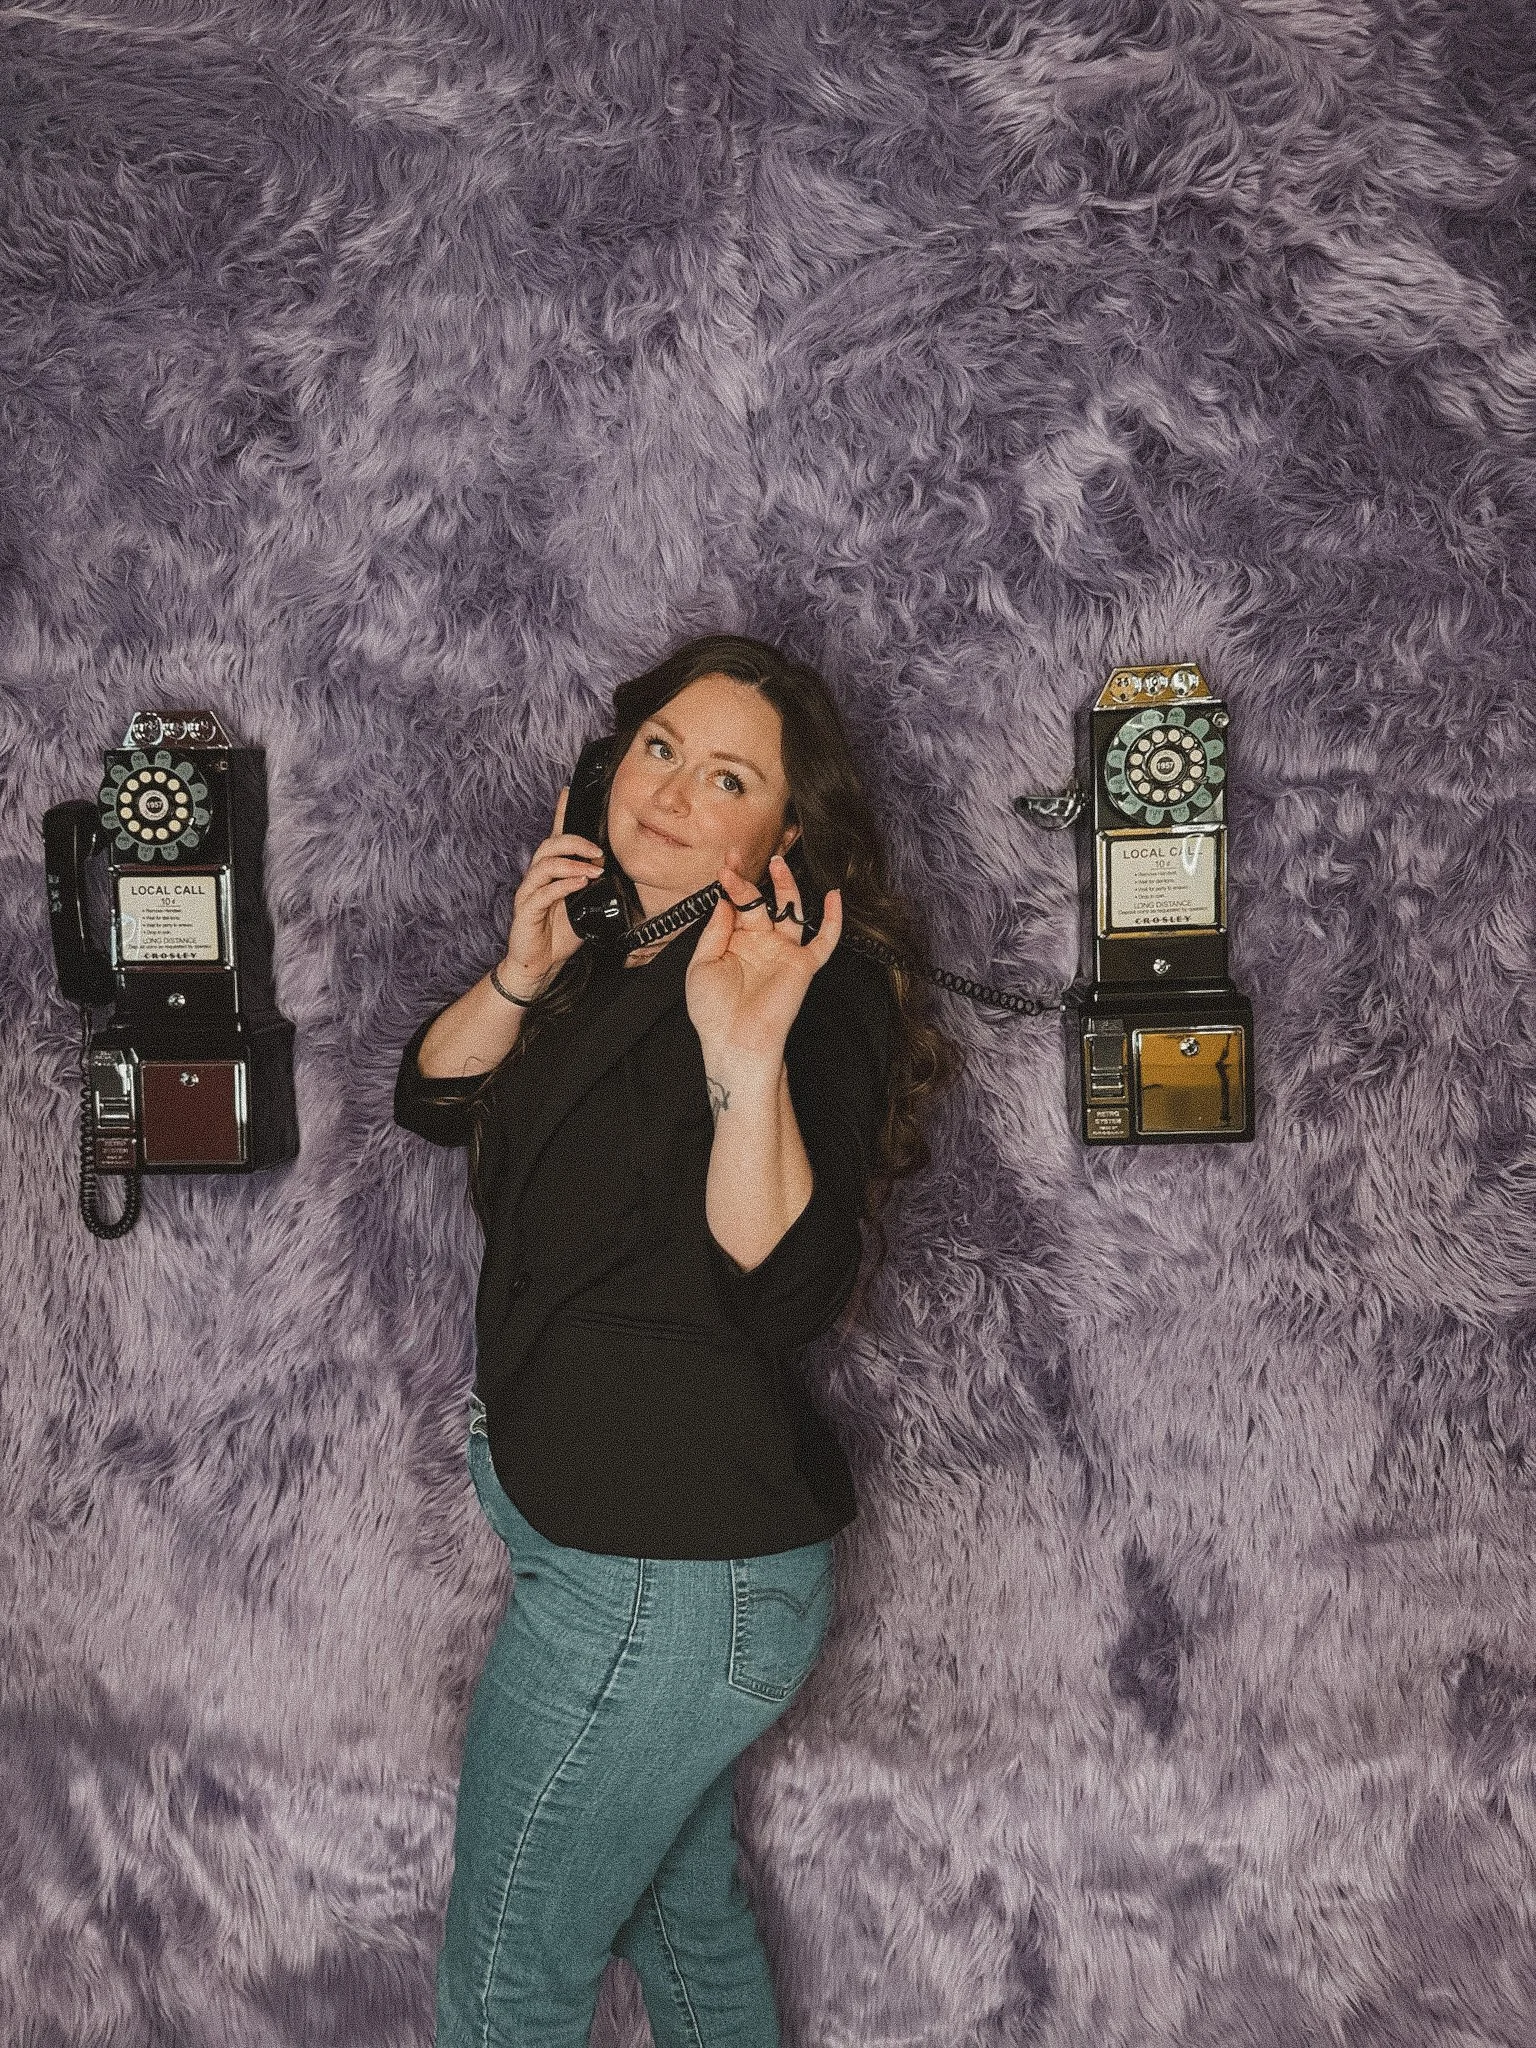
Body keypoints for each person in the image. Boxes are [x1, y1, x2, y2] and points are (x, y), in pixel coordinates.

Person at [393, 634, 960, 2047]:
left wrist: (742, 1052)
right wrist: (521, 971)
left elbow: (784, 1289)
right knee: (685, 1920)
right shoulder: (605, 948)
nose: (668, 790)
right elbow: (431, 1094)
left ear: (782, 837)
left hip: (660, 1581)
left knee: (508, 1979)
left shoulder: (791, 986)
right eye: (658, 747)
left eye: (727, 777)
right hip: (613, 1541)